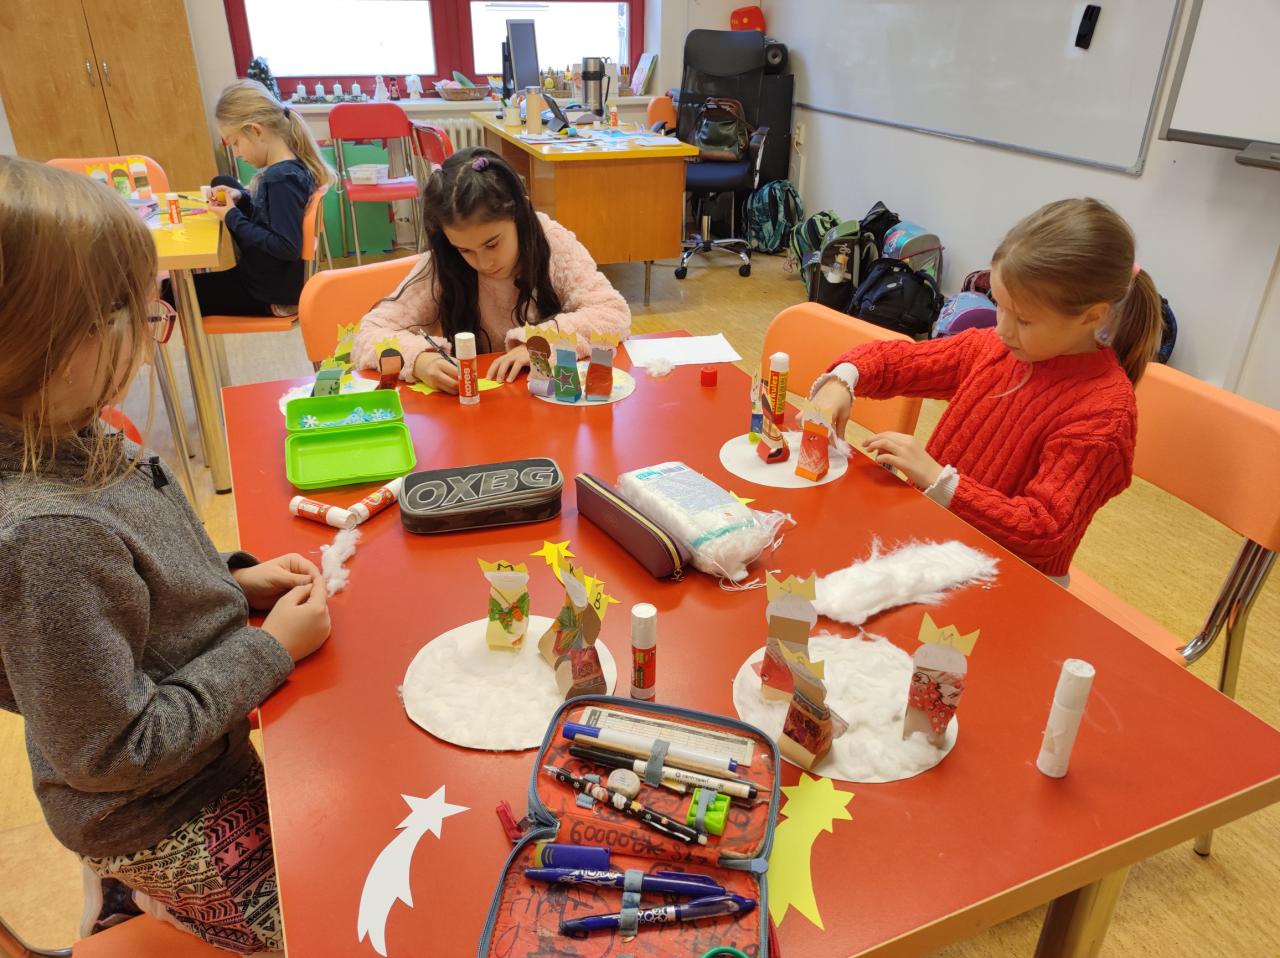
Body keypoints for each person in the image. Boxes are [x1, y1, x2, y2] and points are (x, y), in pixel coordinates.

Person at [0, 157, 331, 953]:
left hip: (196, 761)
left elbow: (138, 588)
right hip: (165, 815)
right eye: (129, 308)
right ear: (37, 338)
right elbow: (117, 749)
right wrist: (269, 650)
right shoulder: (48, 536)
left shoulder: (68, 426)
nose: (155, 324)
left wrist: (234, 581)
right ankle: (141, 895)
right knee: (328, 926)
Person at [811, 198, 1164, 582]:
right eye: (1000, 305)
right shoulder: (997, 348)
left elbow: (1044, 530)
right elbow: (900, 363)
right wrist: (844, 379)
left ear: (1092, 316)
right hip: (936, 542)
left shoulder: (1104, 413)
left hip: (1010, 581)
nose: (1003, 329)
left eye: (1024, 320)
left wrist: (939, 479)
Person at [353, 147, 630, 391]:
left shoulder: (551, 241)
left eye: (492, 244)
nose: (484, 263)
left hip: (547, 399)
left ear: (519, 214)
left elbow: (611, 312)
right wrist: (419, 360)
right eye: (465, 250)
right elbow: (370, 334)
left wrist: (540, 343)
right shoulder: (443, 262)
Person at [178, 79, 333, 317]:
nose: (236, 153)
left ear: (256, 131)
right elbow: (270, 217)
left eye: (236, 143)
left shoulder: (280, 179)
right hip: (269, 279)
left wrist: (232, 216)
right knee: (223, 182)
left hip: (268, 293)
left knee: (174, 294)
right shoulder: (288, 170)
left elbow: (287, 247)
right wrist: (241, 198)